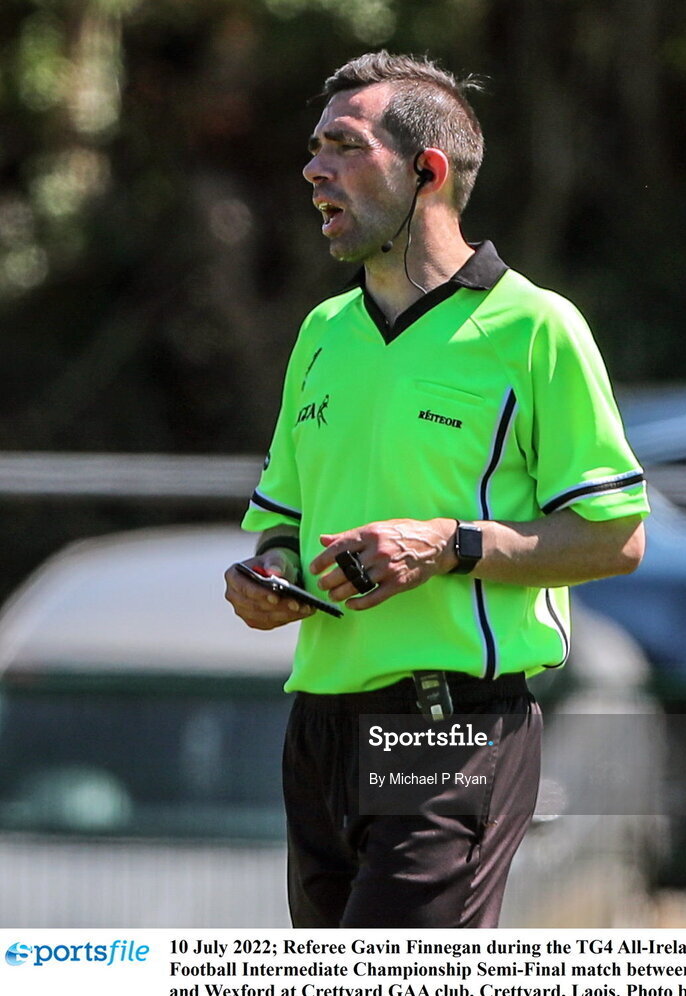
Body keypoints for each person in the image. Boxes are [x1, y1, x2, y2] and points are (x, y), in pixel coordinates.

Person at [224, 51, 649, 929]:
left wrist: (448, 545)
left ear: (428, 171)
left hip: (445, 726)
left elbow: (615, 538)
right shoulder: (323, 330)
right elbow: (282, 518)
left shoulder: (536, 327)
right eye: (313, 148)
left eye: (343, 146)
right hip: (316, 727)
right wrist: (267, 575)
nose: (313, 169)